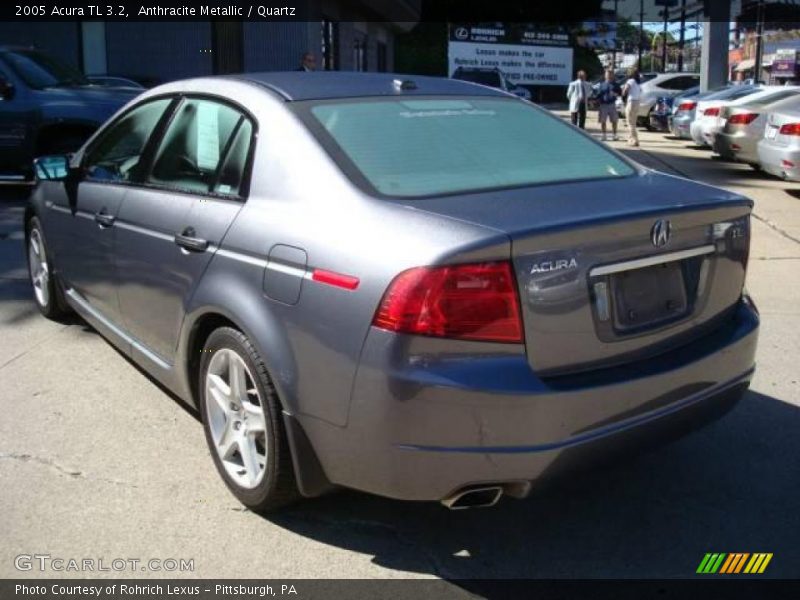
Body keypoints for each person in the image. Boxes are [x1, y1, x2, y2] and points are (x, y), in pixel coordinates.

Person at [595, 69, 621, 141]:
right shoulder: (601, 84)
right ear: (605, 75)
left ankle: (614, 135)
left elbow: (620, 93)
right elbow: (598, 94)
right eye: (607, 74)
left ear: (612, 75)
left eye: (610, 74)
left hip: (612, 104)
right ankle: (604, 135)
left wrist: (616, 94)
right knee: (603, 121)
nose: (609, 75)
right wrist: (595, 100)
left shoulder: (616, 84)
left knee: (614, 121)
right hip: (603, 105)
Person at [622, 68, 642, 147]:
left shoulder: (630, 81)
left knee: (629, 123)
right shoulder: (638, 83)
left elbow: (625, 91)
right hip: (637, 102)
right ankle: (633, 139)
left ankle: (633, 140)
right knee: (633, 123)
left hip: (631, 102)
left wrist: (623, 93)